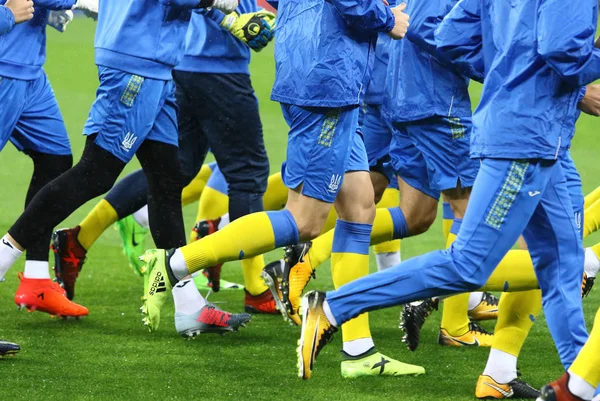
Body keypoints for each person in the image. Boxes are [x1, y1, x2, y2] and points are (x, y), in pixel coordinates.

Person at [295, 0, 599, 382]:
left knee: (562, 265)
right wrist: (525, 77)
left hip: (534, 133)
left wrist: (510, 74)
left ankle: (583, 383)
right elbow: (564, 53)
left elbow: (453, 35)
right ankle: (335, 307)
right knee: (469, 263)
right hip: (525, 138)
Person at [140, 0, 418, 378]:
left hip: (323, 72)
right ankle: (173, 265)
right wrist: (387, 18)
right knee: (304, 221)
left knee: (360, 208)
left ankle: (359, 350)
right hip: (328, 80)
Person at [0, 0, 254, 336]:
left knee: (166, 179)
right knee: (96, 172)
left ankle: (189, 305)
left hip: (155, 58)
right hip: (137, 61)